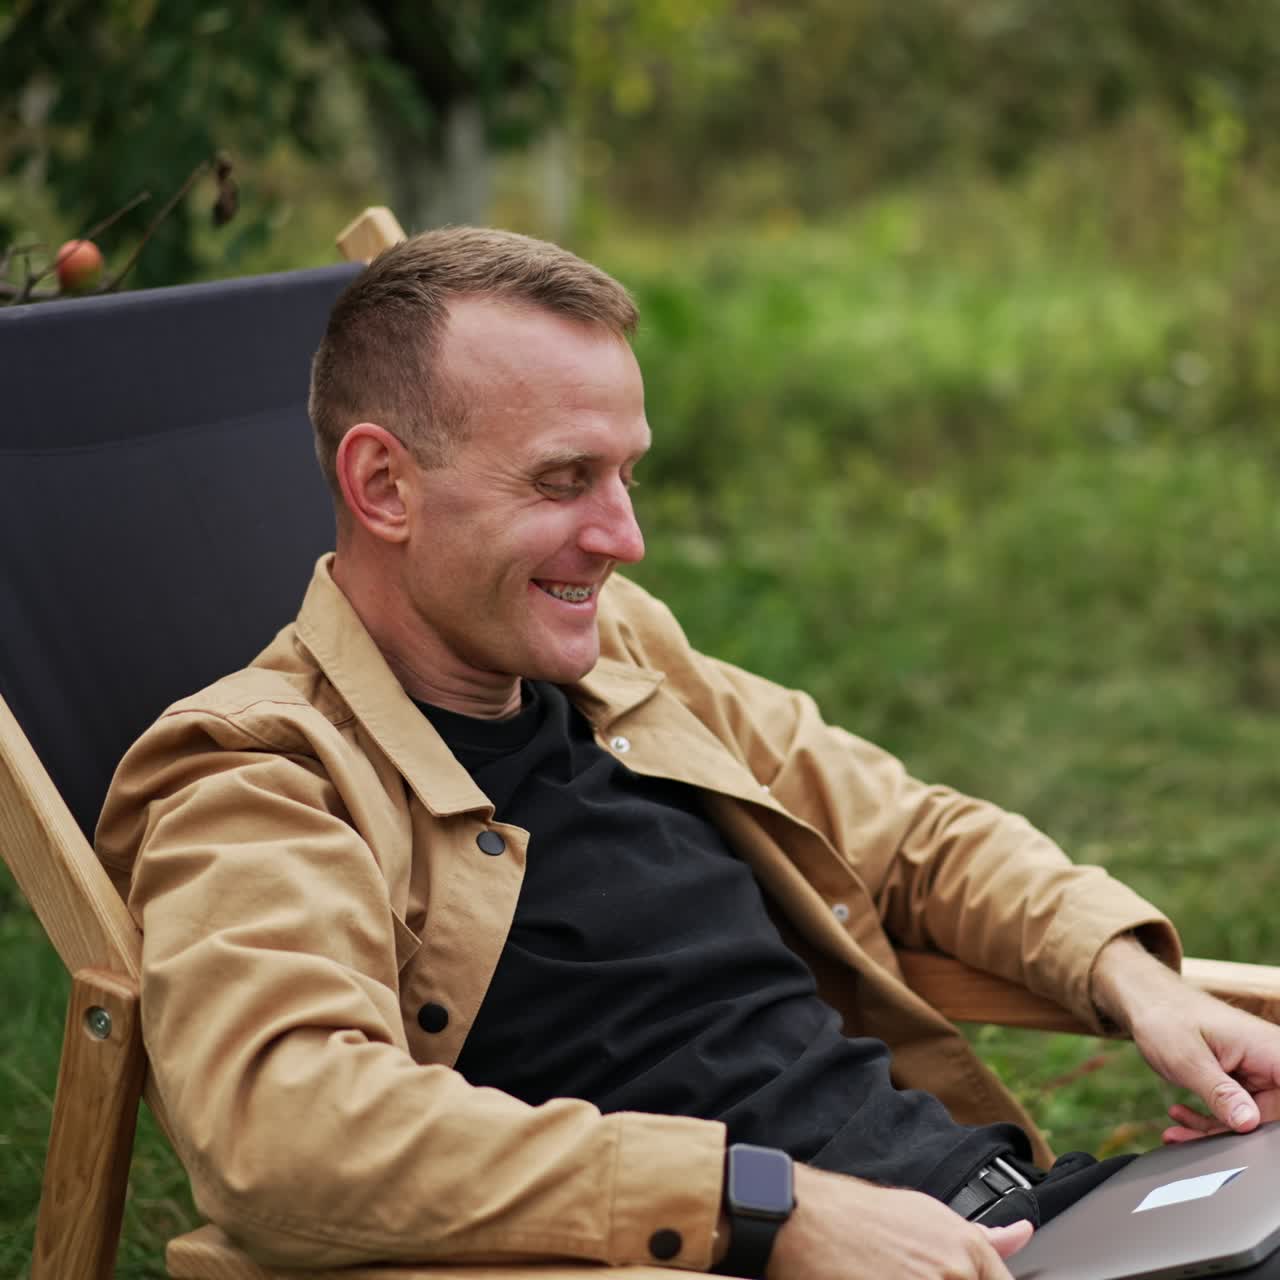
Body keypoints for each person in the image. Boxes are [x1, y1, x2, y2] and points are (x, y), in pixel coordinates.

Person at [96, 229, 1280, 1280]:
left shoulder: (615, 655)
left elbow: (911, 833)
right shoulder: (257, 776)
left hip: (1022, 1222)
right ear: (382, 483)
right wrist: (758, 1208)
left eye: (628, 472)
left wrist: (1138, 980)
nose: (625, 537)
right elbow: (290, 1132)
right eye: (564, 480)